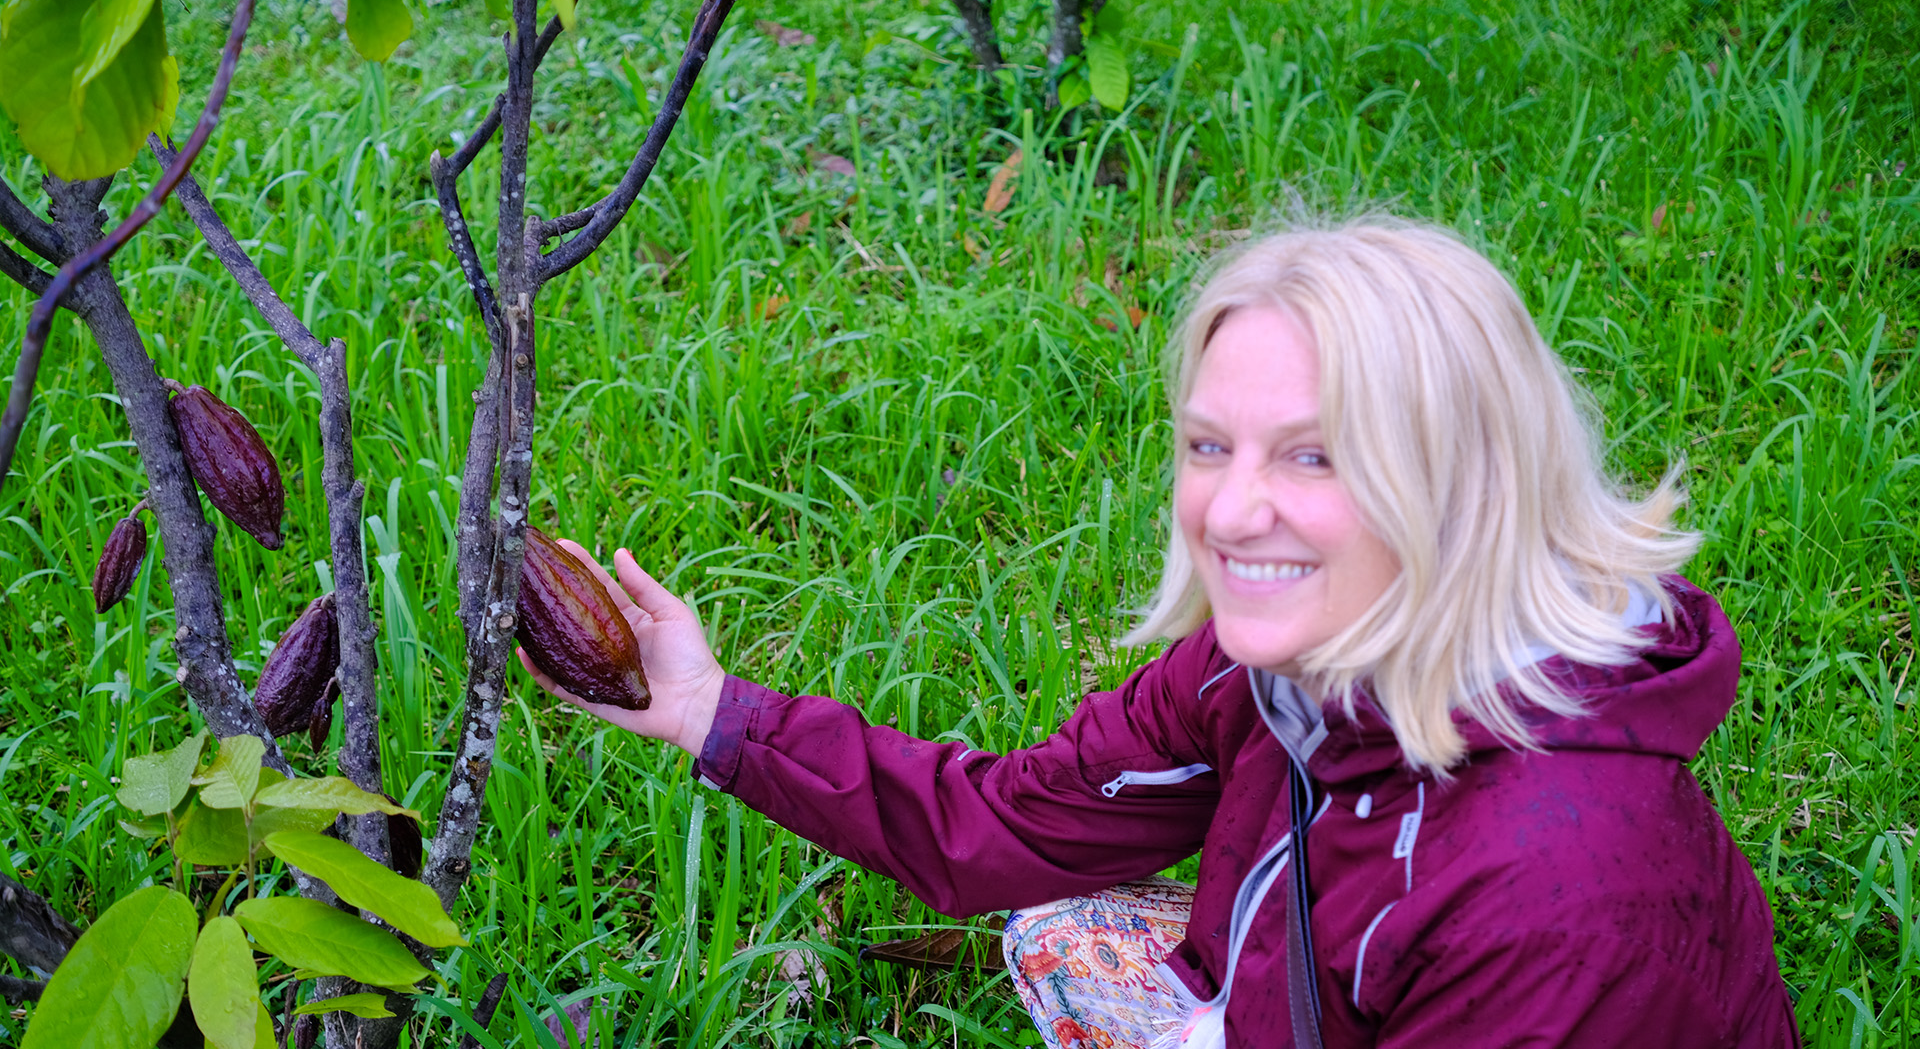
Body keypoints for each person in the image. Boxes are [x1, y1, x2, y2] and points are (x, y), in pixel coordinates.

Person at [520, 218, 1801, 1048]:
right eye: (1208, 445)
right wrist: (711, 711)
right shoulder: (1286, 667)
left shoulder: (1559, 903)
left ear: (1464, 477)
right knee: (1053, 925)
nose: (1231, 511)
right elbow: (1008, 826)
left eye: (1314, 454)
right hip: (1299, 999)